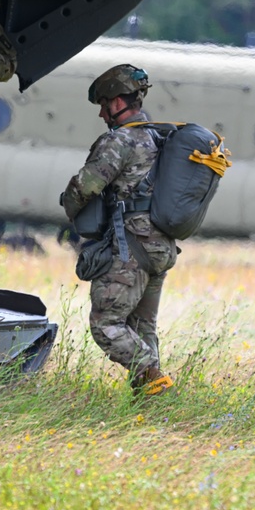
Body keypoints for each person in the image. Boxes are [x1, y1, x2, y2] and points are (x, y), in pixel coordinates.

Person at [61, 64, 178, 397]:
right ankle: (151, 406)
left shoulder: (122, 140)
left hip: (130, 247)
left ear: (116, 101)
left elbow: (86, 186)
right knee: (142, 327)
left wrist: (69, 206)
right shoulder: (158, 136)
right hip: (160, 247)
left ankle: (157, 381)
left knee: (105, 325)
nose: (101, 113)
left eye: (103, 103)